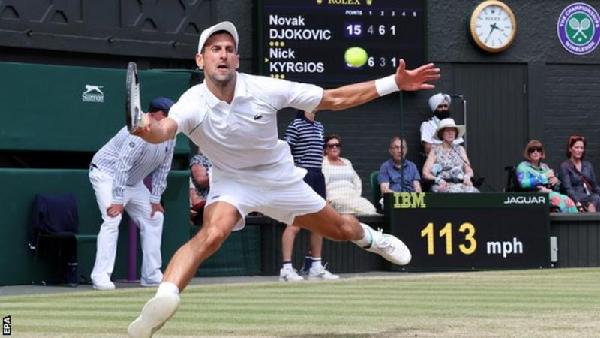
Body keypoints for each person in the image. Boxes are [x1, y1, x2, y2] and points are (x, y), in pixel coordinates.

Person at [127, 21, 439, 337]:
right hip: (232, 182)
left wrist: (394, 83)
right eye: (215, 49)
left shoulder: (266, 88)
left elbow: (335, 99)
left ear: (236, 60)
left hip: (279, 178)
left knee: (341, 230)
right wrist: (144, 127)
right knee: (212, 233)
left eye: (229, 50)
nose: (222, 56)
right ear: (200, 60)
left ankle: (374, 238)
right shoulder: (192, 102)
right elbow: (162, 131)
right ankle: (163, 300)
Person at [89, 97, 175, 290]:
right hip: (107, 175)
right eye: (167, 115)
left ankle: (151, 275)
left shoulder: (170, 133)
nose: (171, 119)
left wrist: (155, 199)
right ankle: (100, 276)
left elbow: (164, 167)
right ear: (154, 115)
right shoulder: (138, 130)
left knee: (155, 217)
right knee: (112, 219)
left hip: (134, 182)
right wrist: (118, 199)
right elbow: (122, 166)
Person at [280, 110, 339, 282]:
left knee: (319, 223)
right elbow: (286, 153)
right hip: (301, 175)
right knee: (295, 223)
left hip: (317, 176)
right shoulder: (295, 125)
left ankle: (315, 267)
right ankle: (286, 269)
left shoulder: (320, 126)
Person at [516, 140, 578, 213]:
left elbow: (555, 186)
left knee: (568, 200)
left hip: (550, 193)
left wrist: (555, 181)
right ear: (528, 153)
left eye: (538, 150)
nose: (535, 152)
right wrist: (544, 176)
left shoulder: (544, 167)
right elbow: (523, 183)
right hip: (533, 197)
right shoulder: (523, 166)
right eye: (532, 150)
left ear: (541, 153)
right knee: (560, 201)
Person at [322, 134, 378, 215]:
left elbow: (357, 181)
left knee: (371, 208)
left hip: (352, 197)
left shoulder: (347, 162)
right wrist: (326, 199)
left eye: (337, 145)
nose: (334, 147)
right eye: (331, 146)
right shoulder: (322, 163)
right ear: (326, 149)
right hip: (335, 198)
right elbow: (320, 183)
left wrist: (356, 195)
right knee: (362, 210)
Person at [422, 118, 478, 193]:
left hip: (461, 184)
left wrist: (467, 176)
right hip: (443, 185)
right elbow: (425, 173)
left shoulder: (460, 149)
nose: (450, 133)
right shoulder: (435, 150)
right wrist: (438, 180)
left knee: (474, 192)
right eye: (447, 130)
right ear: (441, 133)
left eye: (453, 130)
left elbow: (469, 169)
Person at [559, 135, 600, 212]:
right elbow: (568, 189)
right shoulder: (565, 166)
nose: (579, 150)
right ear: (570, 149)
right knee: (595, 200)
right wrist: (577, 202)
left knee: (596, 198)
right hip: (574, 197)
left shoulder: (588, 165)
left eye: (582, 148)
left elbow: (595, 186)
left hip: (589, 197)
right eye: (576, 147)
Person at [188, 150, 212, 224]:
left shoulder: (226, 160)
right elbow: (201, 180)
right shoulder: (199, 159)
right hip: (206, 202)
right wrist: (224, 173)